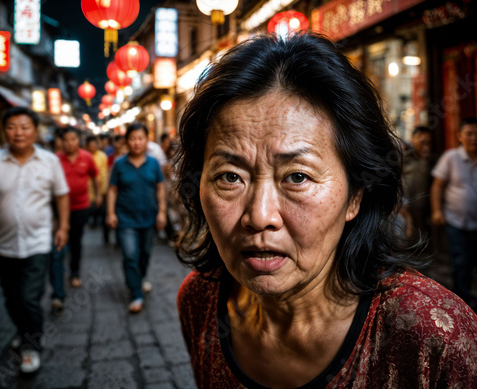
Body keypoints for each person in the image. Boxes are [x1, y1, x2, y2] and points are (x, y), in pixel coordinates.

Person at [175, 33, 477, 388]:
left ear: (355, 196)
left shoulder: (433, 335)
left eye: (297, 177)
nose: (259, 216)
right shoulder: (199, 300)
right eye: (230, 176)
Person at [0, 107, 69, 374]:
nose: (18, 132)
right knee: (11, 297)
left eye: (25, 126)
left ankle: (31, 346)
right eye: (12, 127)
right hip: (3, 244)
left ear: (34, 130)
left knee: (30, 297)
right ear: (5, 131)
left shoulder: (49, 161)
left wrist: (62, 226)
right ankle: (22, 329)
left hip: (39, 242)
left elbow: (61, 195)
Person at [106, 122, 166, 313]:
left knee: (145, 254)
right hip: (125, 219)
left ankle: (139, 278)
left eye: (140, 138)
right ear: (126, 141)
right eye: (132, 138)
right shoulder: (119, 164)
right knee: (130, 255)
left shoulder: (154, 163)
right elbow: (112, 190)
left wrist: (162, 211)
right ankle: (135, 293)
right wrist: (110, 213)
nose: (136, 142)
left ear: (147, 140)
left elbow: (160, 188)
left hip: (148, 218)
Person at [431, 117, 477, 310]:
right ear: (459, 136)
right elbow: (437, 186)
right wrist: (436, 210)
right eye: (469, 134)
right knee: (460, 262)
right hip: (455, 222)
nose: (474, 138)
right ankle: (463, 304)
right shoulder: (451, 158)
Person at [51, 127, 100, 303]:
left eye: (73, 139)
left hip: (81, 206)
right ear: (61, 142)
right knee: (58, 242)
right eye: (66, 139)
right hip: (58, 208)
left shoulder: (86, 157)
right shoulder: (55, 159)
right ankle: (58, 279)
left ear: (78, 140)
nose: (69, 143)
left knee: (75, 240)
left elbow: (95, 176)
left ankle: (74, 271)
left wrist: (98, 195)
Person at [401, 126, 436, 239]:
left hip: (427, 209)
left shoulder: (433, 160)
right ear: (413, 139)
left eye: (428, 143)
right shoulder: (404, 159)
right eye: (422, 142)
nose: (425, 146)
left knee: (427, 238)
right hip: (406, 208)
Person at [86, 136, 109, 232]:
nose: (92, 148)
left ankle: (102, 226)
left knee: (103, 209)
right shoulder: (86, 156)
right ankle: (94, 221)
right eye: (90, 146)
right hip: (89, 188)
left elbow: (106, 171)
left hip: (103, 187)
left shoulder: (102, 156)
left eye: (94, 145)